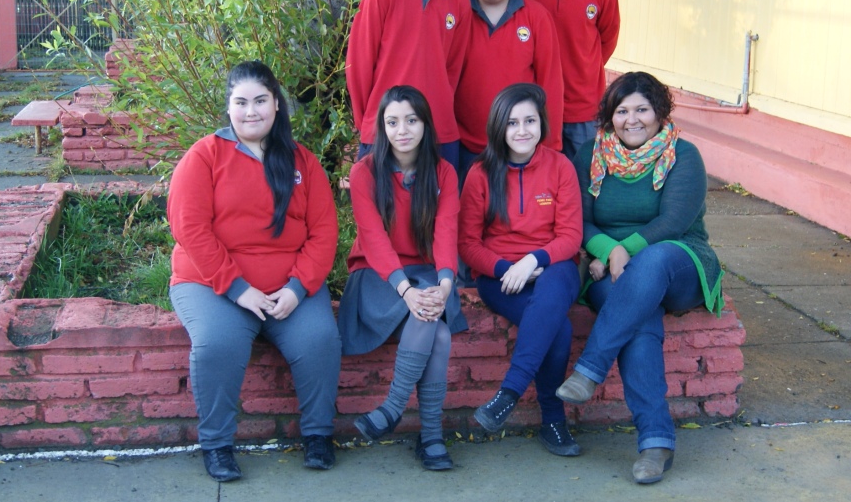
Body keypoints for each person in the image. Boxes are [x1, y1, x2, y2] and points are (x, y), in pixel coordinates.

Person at [167, 61, 341, 482]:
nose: (251, 111)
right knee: (218, 343)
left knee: (320, 339)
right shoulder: (204, 156)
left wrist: (298, 289)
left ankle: (318, 435)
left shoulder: (302, 162)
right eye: (241, 102)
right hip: (212, 284)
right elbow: (190, 228)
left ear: (277, 105)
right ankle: (217, 445)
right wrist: (237, 288)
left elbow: (323, 232)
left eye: (261, 101)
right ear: (228, 108)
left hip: (288, 288)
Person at [555, 71, 724, 484]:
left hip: (679, 260)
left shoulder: (684, 155)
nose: (631, 119)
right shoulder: (590, 155)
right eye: (622, 110)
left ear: (659, 112)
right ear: (609, 116)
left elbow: (673, 222)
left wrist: (622, 250)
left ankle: (590, 368)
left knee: (652, 261)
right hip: (610, 268)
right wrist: (608, 250)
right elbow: (579, 222)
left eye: (642, 109)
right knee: (638, 316)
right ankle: (656, 443)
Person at [338, 86, 468, 471]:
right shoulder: (364, 172)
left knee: (433, 323)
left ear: (425, 124)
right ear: (382, 127)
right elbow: (374, 239)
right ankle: (428, 434)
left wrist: (445, 286)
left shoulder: (443, 172)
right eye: (392, 122)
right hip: (377, 274)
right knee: (435, 330)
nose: (402, 130)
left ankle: (398, 412)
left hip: (429, 272)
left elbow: (446, 232)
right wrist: (406, 291)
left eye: (411, 120)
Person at [458, 83, 583, 456]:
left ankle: (508, 393)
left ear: (542, 123)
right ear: (499, 126)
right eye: (512, 122)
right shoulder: (480, 173)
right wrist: (504, 268)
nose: (522, 130)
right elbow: (468, 243)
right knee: (559, 328)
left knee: (557, 281)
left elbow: (570, 236)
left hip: (553, 269)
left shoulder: (560, 166)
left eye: (530, 120)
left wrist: (532, 261)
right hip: (501, 280)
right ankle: (553, 420)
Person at [345, 0, 472, 169]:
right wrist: (368, 120)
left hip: (438, 130)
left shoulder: (460, 3)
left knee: (441, 197)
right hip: (386, 129)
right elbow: (359, 63)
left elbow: (453, 70)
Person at [455, 0, 565, 183]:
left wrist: (549, 146)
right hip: (467, 145)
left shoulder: (536, 17)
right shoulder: (457, 14)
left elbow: (550, 83)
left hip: (520, 146)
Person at [515, 0, 620, 158]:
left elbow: (607, 41)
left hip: (583, 109)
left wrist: (583, 70)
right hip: (532, 103)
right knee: (534, 176)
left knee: (583, 177)